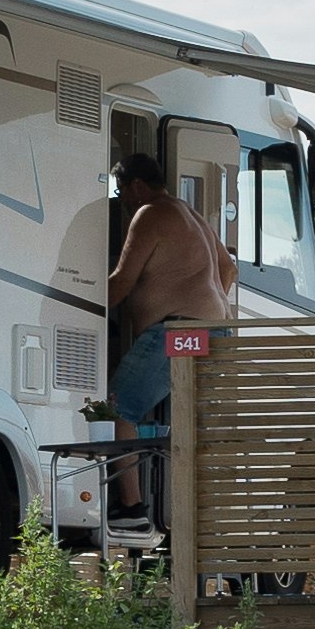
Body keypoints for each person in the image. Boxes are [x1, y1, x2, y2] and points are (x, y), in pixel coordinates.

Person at [107, 157, 226, 518]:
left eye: (121, 193)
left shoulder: (150, 214)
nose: (123, 202)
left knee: (115, 409)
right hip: (214, 331)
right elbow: (229, 267)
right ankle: (196, 511)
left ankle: (132, 508)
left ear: (137, 186)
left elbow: (121, 282)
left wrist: (80, 303)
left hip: (176, 333)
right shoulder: (192, 216)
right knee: (189, 422)